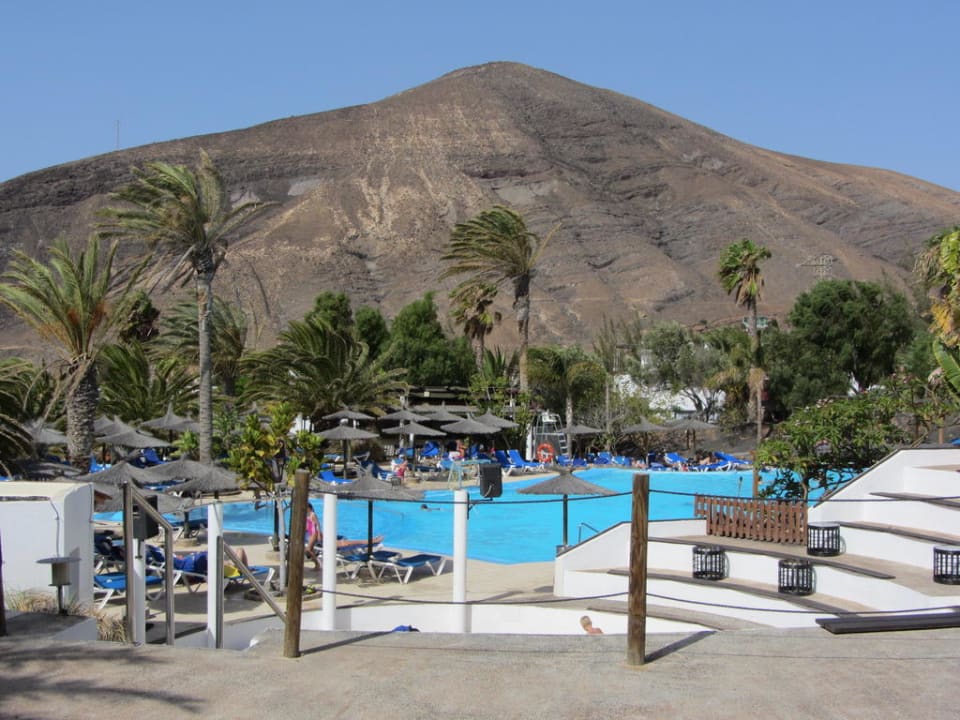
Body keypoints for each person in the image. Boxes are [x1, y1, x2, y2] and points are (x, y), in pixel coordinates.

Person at [305, 503, 321, 570]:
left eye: (307, 508)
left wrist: (319, 535)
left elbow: (318, 525)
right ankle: (317, 564)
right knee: (310, 550)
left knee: (308, 550)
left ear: (310, 508)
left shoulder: (312, 514)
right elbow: (308, 526)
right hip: (310, 533)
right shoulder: (307, 515)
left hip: (314, 533)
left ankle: (317, 564)